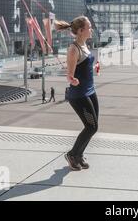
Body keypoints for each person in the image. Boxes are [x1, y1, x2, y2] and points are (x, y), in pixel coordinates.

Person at [55, 16, 98, 171]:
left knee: (93, 126)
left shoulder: (85, 45)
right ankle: (72, 154)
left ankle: (79, 155)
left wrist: (93, 68)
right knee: (91, 127)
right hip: (79, 95)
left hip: (90, 90)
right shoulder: (74, 49)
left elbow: (84, 67)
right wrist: (72, 80)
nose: (91, 29)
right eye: (89, 27)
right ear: (81, 31)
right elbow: (70, 75)